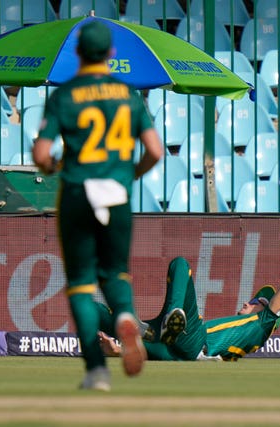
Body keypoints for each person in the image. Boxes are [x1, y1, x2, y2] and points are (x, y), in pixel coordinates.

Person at [32, 20, 164, 391]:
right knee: (116, 274)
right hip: (117, 194)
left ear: (77, 53)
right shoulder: (128, 95)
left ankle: (96, 371)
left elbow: (41, 153)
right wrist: (131, 174)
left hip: (78, 192)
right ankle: (124, 316)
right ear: (111, 54)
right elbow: (154, 151)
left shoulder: (65, 95)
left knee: (80, 285)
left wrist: (54, 164)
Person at [96, 224, 280, 361]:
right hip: (181, 352)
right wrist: (117, 351)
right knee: (105, 316)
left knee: (180, 264)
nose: (248, 301)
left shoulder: (263, 324)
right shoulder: (244, 334)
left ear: (269, 313)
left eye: (256, 301)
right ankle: (148, 330)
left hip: (194, 341)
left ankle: (171, 318)